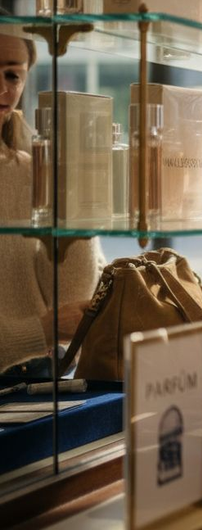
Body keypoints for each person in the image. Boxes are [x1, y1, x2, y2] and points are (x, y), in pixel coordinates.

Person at [0, 28, 103, 376]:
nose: (2, 89)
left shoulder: (31, 168)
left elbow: (73, 295)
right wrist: (41, 330)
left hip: (51, 376)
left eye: (12, 75)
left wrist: (73, 186)